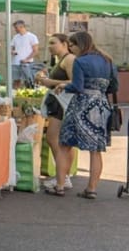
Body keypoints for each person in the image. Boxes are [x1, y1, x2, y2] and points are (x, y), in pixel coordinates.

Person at [56, 31, 118, 199]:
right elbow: (114, 87)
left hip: (81, 106)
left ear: (80, 45)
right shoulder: (108, 60)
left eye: (72, 46)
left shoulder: (80, 61)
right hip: (101, 106)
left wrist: (63, 86)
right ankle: (91, 189)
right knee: (96, 150)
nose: (71, 50)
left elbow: (77, 86)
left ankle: (59, 186)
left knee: (64, 145)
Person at [36, 33, 75, 193]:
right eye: (49, 43)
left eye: (53, 43)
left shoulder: (69, 59)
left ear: (64, 44)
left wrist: (49, 81)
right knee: (62, 142)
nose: (50, 46)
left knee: (53, 138)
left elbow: (74, 82)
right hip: (58, 103)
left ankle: (62, 177)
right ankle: (64, 176)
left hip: (63, 103)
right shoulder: (60, 60)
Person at [11, 20, 40, 88]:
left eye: (16, 27)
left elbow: (35, 51)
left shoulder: (32, 36)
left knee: (28, 81)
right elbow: (11, 47)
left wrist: (27, 59)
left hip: (27, 63)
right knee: (16, 81)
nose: (15, 29)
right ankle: (15, 93)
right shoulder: (15, 37)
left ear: (22, 27)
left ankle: (28, 93)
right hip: (15, 62)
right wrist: (12, 51)